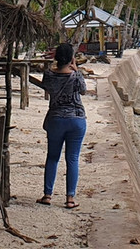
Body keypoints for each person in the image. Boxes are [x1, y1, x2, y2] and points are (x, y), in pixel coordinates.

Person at [35, 42, 87, 209]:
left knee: (52, 157)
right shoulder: (75, 75)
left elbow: (47, 88)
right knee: (72, 158)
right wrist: (76, 69)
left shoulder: (49, 75)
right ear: (72, 58)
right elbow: (83, 90)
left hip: (56, 118)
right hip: (76, 119)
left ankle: (47, 195)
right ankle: (70, 198)